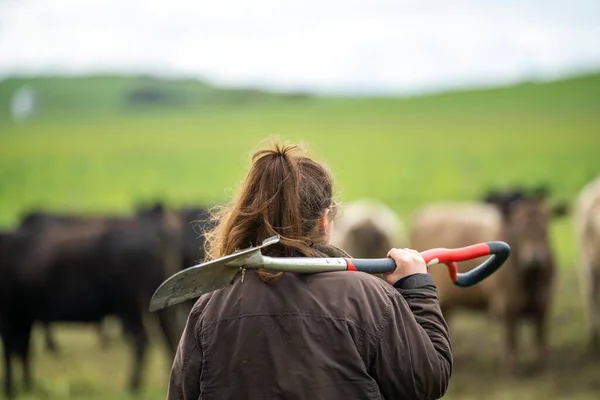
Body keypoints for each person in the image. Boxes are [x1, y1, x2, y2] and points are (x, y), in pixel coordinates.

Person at [167, 141, 452, 400]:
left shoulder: (209, 308)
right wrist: (418, 289)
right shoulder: (371, 298)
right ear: (324, 221)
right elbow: (425, 382)